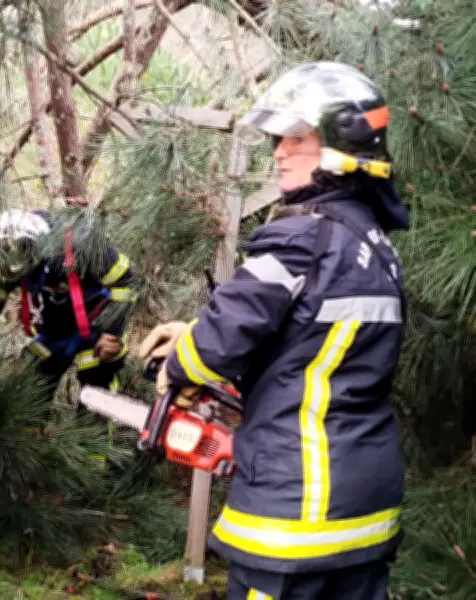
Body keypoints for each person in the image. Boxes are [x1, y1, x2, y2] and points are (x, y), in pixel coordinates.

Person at [138, 62, 410, 600]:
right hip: (367, 505)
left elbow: (219, 343)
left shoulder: (299, 236)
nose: (279, 152)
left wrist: (175, 368)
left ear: (340, 146)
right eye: (277, 139)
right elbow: (310, 338)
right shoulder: (376, 246)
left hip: (296, 509)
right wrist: (194, 331)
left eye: (296, 138)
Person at [0, 208, 138, 464]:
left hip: (96, 333)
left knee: (95, 390)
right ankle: (28, 459)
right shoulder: (9, 257)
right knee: (29, 380)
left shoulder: (83, 246)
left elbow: (127, 281)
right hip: (53, 333)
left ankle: (91, 471)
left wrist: (111, 332)